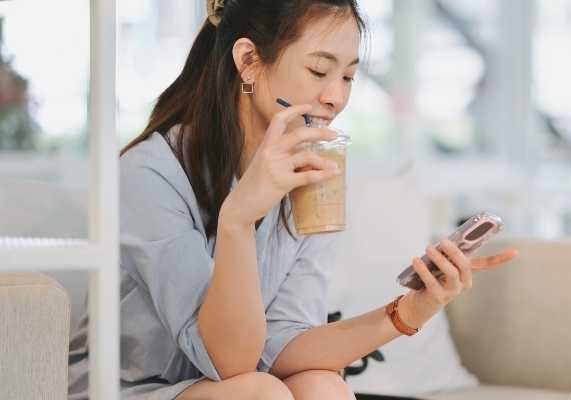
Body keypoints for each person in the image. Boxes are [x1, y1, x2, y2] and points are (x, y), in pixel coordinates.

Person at [67, 1, 519, 399]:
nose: (335, 97)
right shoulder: (148, 175)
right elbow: (230, 363)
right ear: (247, 60)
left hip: (233, 385)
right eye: (319, 71)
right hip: (128, 389)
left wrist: (409, 312)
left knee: (322, 386)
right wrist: (239, 220)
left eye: (348, 76)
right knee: (260, 393)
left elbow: (284, 344)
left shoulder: (311, 173)